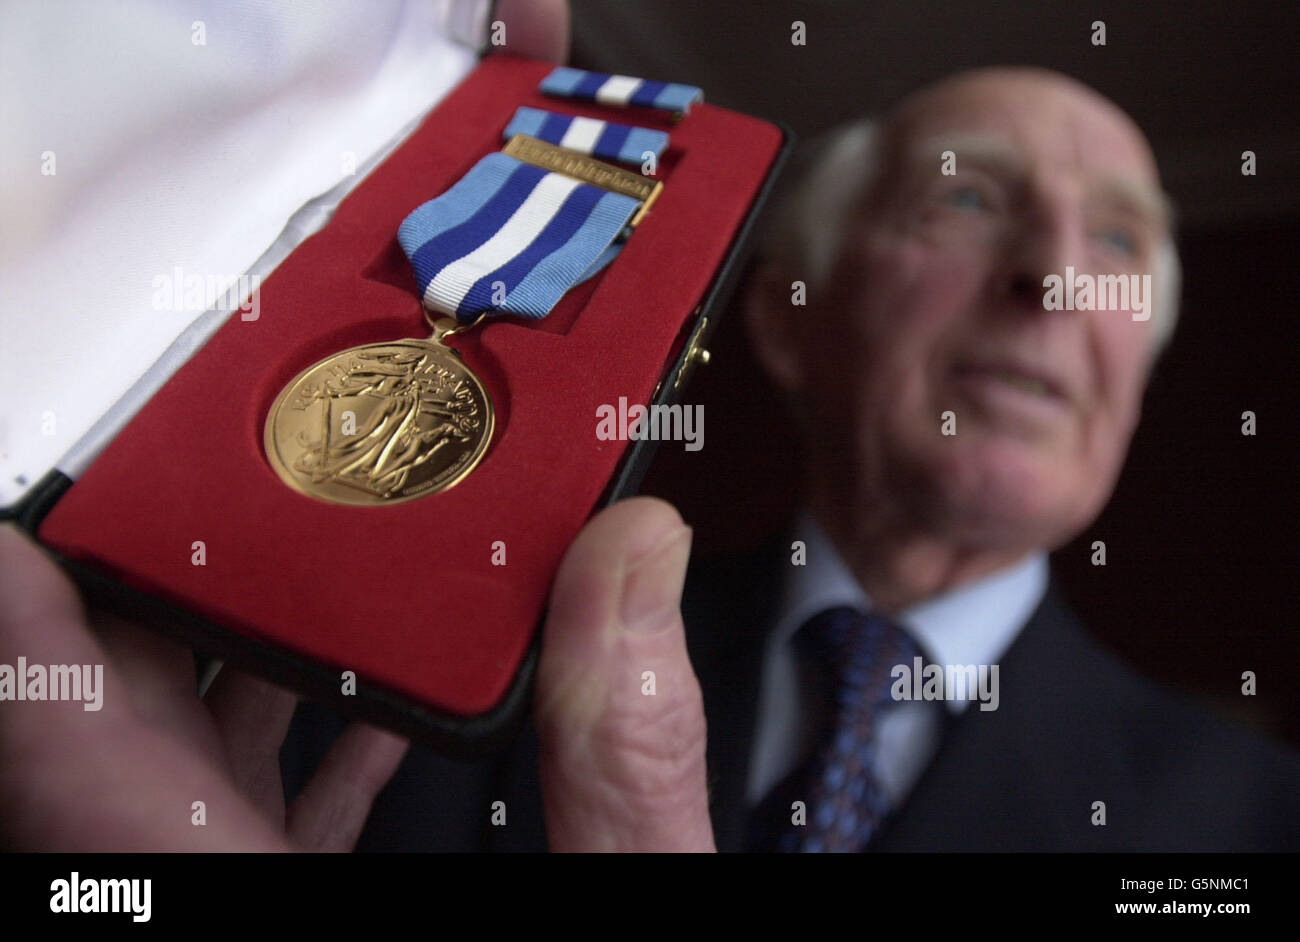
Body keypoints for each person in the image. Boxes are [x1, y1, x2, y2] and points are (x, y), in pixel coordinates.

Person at [4, 61, 1296, 852]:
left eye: (1120, 242)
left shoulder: (1259, 818)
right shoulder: (399, 700)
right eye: (964, 197)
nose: (1054, 277)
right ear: (792, 322)